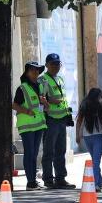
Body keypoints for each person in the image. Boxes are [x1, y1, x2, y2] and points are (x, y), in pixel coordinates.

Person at [38, 53, 75, 189]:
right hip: (51, 119)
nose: (55, 66)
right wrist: (50, 101)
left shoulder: (60, 79)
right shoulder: (43, 80)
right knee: (49, 151)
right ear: (47, 65)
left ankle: (60, 178)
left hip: (61, 119)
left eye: (57, 64)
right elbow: (40, 97)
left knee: (61, 150)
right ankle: (48, 179)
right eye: (52, 64)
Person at [12, 62, 49, 190]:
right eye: (33, 71)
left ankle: (33, 181)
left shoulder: (39, 87)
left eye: (38, 71)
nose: (36, 73)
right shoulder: (22, 88)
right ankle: (30, 182)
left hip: (38, 125)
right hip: (27, 126)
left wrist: (45, 103)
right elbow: (14, 105)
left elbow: (44, 107)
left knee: (34, 154)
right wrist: (27, 111)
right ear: (27, 72)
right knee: (29, 153)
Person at [76, 88, 102, 192]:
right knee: (96, 161)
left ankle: (100, 182)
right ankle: (95, 184)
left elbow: (79, 121)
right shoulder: (101, 104)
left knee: (95, 161)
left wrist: (78, 134)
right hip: (98, 136)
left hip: (87, 136)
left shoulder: (84, 104)